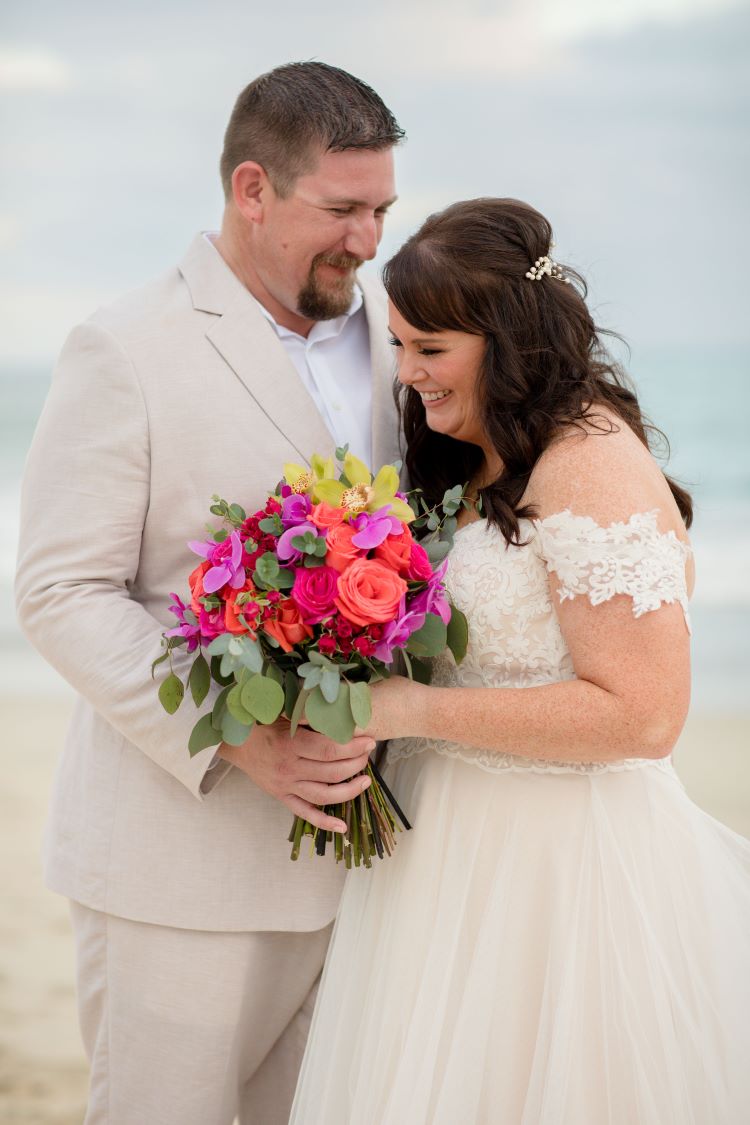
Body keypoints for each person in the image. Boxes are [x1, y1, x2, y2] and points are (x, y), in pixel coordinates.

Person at [290, 198, 750, 1124]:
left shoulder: (589, 459)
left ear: (503, 338)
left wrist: (408, 711)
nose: (408, 373)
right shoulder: (482, 455)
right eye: (401, 344)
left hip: (561, 870)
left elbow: (645, 715)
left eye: (430, 348)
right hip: (444, 856)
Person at [15, 62, 403, 1124]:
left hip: (378, 876)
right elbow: (61, 591)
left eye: (382, 211)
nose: (367, 242)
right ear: (251, 188)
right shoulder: (125, 348)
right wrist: (238, 736)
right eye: (342, 210)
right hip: (175, 873)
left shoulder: (402, 341)